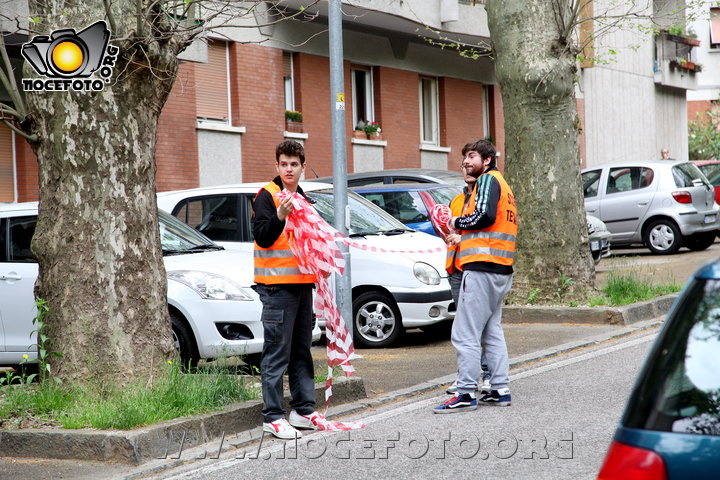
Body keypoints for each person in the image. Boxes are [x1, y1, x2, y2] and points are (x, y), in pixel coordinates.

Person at [434, 139, 517, 413]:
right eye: (464, 157)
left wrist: (455, 222)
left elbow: (483, 216)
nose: (466, 161)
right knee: (491, 331)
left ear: (488, 160)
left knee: (464, 333)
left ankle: (466, 392)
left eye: (471, 156)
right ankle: (499, 388)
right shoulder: (503, 185)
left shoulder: (487, 181)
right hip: (500, 268)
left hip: (482, 267)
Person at [252, 140, 325, 438]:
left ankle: (303, 410)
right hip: (277, 287)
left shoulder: (304, 199)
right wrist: (280, 216)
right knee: (276, 354)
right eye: (284, 164)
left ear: (302, 166)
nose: (289, 169)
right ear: (277, 166)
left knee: (301, 352)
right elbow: (262, 237)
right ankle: (272, 416)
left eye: (294, 164)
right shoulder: (267, 196)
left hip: (302, 286)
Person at [444, 169, 491, 396]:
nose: (466, 168)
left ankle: (487, 374)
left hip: (476, 267)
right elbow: (450, 228)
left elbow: (488, 229)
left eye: (471, 162)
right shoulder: (456, 201)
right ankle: (465, 374)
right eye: (463, 165)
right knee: (462, 328)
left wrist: (464, 238)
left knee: (480, 326)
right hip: (456, 268)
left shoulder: (484, 200)